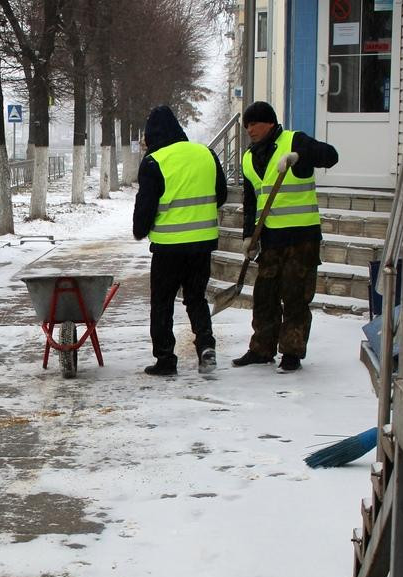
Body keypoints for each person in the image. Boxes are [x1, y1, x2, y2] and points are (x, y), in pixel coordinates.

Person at [232, 101, 339, 373]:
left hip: (301, 238)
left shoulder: (295, 140)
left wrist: (299, 157)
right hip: (269, 238)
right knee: (264, 295)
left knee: (295, 296)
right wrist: (248, 236)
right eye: (246, 125)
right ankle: (261, 349)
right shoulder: (248, 157)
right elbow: (251, 200)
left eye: (253, 123)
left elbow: (330, 155)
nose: (249, 130)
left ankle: (291, 352)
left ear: (269, 122)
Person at [132, 105, 226, 376]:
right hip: (203, 243)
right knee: (196, 298)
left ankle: (165, 359)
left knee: (162, 302)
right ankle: (206, 347)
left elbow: (145, 206)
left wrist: (140, 230)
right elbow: (220, 195)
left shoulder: (154, 162)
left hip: (169, 247)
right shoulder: (206, 153)